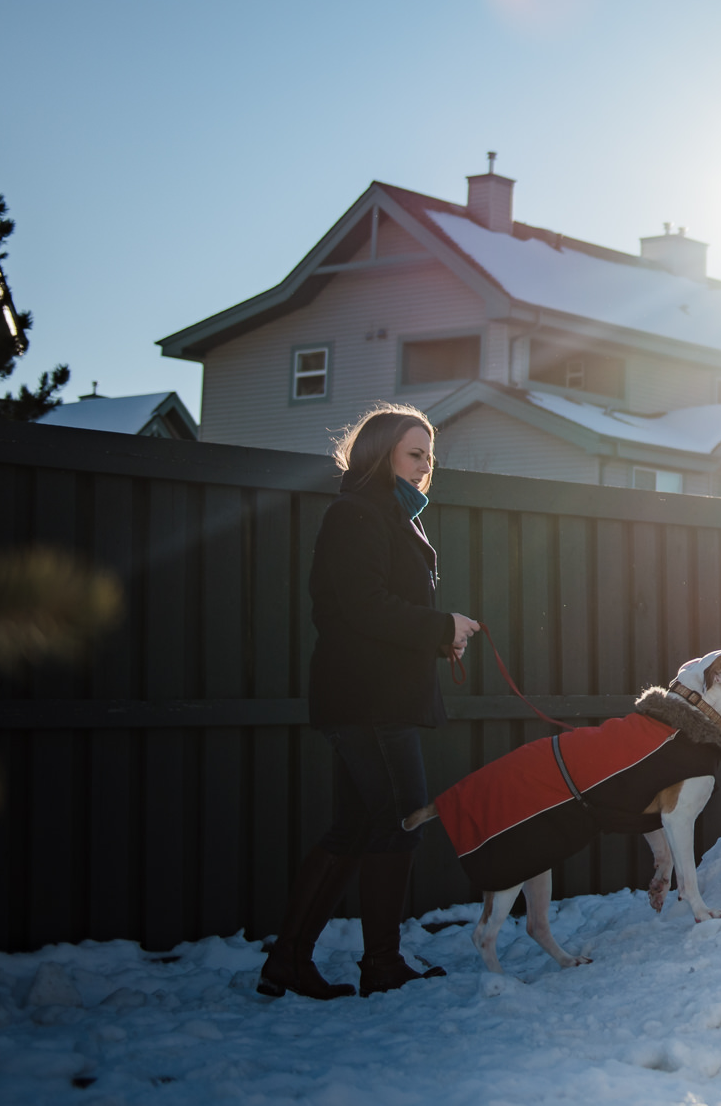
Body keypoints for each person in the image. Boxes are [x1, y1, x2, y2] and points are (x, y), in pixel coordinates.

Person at [257, 403, 480, 999]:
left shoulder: (391, 514)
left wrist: (440, 638)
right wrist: (441, 626)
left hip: (374, 695)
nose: (426, 464)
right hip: (369, 700)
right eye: (415, 453)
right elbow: (361, 607)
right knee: (401, 823)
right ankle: (379, 964)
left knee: (356, 828)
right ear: (381, 455)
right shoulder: (357, 514)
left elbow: (375, 613)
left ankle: (289, 961)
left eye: (430, 454)